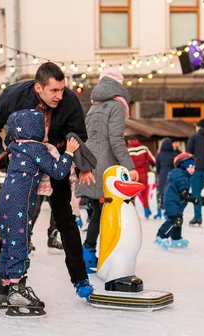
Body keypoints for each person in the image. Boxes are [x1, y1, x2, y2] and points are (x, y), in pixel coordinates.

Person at [0, 62, 94, 290]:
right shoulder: (14, 96)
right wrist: (2, 157)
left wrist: (81, 164)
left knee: (65, 218)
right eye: (54, 90)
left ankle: (80, 279)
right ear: (38, 88)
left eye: (62, 89)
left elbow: (78, 136)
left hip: (54, 160)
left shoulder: (68, 101)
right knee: (18, 221)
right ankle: (5, 281)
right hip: (23, 166)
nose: (60, 96)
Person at [0, 109, 86, 316]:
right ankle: (17, 289)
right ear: (34, 129)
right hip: (19, 204)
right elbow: (58, 171)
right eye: (43, 126)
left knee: (7, 242)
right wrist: (68, 152)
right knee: (19, 242)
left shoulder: (15, 147)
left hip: (5, 202)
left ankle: (2, 287)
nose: (46, 130)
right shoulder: (36, 149)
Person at [75, 68, 136, 274]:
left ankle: (91, 253)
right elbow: (116, 139)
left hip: (89, 165)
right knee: (102, 213)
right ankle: (91, 254)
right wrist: (129, 166)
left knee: (96, 212)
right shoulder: (116, 106)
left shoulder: (94, 107)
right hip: (104, 168)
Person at [154, 153, 199, 249]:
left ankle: (176, 238)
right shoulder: (182, 176)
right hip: (173, 203)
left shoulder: (175, 174)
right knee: (174, 220)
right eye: (190, 166)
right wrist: (193, 198)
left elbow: (166, 189)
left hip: (172, 202)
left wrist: (162, 200)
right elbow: (184, 192)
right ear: (183, 166)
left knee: (178, 220)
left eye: (194, 167)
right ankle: (161, 236)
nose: (193, 169)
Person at [186, 119, 204, 226]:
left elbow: (188, 153)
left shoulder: (194, 137)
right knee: (198, 193)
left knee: (196, 194)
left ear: (199, 127)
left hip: (195, 169)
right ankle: (197, 216)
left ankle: (198, 217)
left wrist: (188, 167)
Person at [127, 139, 155, 218]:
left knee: (132, 194)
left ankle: (133, 212)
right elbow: (152, 160)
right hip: (143, 173)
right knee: (144, 193)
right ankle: (146, 211)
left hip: (132, 174)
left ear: (129, 141)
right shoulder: (144, 148)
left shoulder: (127, 150)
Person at [154, 138, 176, 219]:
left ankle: (159, 212)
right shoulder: (174, 155)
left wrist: (160, 173)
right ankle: (169, 213)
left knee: (161, 194)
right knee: (170, 194)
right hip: (172, 175)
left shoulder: (159, 155)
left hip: (162, 175)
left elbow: (157, 167)